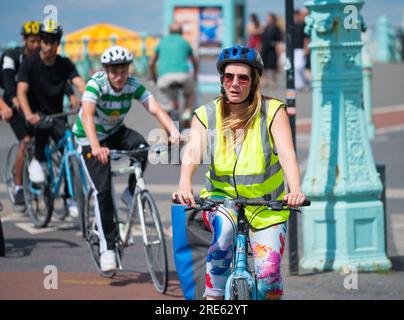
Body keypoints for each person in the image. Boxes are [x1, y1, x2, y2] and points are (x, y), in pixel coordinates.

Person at [172, 45, 306, 300]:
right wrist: (184, 183)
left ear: (254, 81)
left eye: (243, 77)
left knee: (269, 278)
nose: (235, 83)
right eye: (228, 77)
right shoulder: (206, 114)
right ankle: (212, 298)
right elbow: (193, 151)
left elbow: (288, 153)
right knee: (223, 237)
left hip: (268, 206)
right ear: (222, 80)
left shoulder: (273, 112)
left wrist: (295, 190)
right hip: (222, 201)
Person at [73, 45, 181, 272]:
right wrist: (96, 146)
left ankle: (131, 192)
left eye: (123, 71)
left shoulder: (132, 85)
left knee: (142, 147)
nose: (119, 76)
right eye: (114, 72)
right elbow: (88, 115)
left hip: (114, 133)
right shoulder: (96, 85)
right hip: (88, 138)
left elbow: (155, 108)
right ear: (106, 71)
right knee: (102, 191)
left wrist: (173, 131)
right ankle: (108, 248)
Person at [17, 22, 86, 215]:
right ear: (40, 42)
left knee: (70, 149)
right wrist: (28, 113)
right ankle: (38, 162)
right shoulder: (30, 63)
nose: (48, 46)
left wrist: (90, 96)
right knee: (41, 127)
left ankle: (69, 197)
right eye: (45, 42)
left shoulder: (64, 63)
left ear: (58, 44)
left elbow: (79, 82)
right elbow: (21, 90)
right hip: (36, 114)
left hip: (57, 114)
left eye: (53, 42)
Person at [0, 21, 41, 207]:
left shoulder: (40, 57)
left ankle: (36, 172)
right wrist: (12, 101)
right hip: (11, 103)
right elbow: (8, 80)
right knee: (25, 141)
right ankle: (18, 187)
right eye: (32, 41)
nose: (36, 45)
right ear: (24, 40)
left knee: (41, 137)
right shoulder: (11, 56)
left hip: (29, 103)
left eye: (39, 41)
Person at [149, 22, 198, 127]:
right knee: (190, 94)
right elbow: (195, 62)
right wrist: (194, 77)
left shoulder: (162, 42)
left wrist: (154, 78)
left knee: (164, 108)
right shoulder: (185, 42)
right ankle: (187, 112)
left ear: (169, 32)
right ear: (181, 32)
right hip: (183, 76)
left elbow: (151, 63)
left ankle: (167, 128)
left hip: (165, 77)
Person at [260, 13, 283, 90]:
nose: (268, 20)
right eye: (267, 19)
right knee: (263, 66)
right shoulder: (266, 28)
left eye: (269, 19)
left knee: (272, 67)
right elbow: (262, 40)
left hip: (272, 50)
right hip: (264, 49)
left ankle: (273, 82)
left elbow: (279, 42)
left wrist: (279, 51)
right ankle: (265, 81)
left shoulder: (277, 29)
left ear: (273, 19)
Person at [293, 9, 310, 91]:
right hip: (293, 49)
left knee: (299, 66)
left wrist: (306, 48)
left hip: (301, 49)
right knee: (295, 67)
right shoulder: (293, 25)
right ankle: (299, 84)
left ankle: (304, 82)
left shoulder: (304, 25)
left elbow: (306, 38)